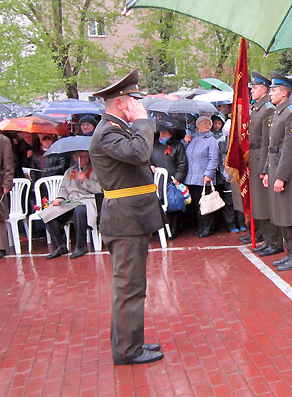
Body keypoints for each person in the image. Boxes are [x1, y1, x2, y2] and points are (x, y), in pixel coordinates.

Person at [89, 69, 164, 365]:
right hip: (125, 220)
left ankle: (133, 343)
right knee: (128, 287)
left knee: (134, 285)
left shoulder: (115, 128)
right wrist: (143, 121)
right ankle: (126, 351)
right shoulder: (108, 131)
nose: (138, 103)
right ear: (121, 102)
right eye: (134, 99)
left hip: (132, 218)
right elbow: (141, 154)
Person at [262, 71, 292, 271]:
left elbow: (290, 149)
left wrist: (280, 177)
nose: (270, 93)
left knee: (291, 215)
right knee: (282, 213)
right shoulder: (278, 113)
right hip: (275, 168)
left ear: (284, 93)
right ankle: (290, 253)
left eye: (273, 90)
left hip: (286, 171)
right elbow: (271, 146)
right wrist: (266, 171)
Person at [243, 72, 283, 256]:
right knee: (259, 203)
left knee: (267, 203)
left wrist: (266, 166)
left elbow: (269, 141)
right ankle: (267, 239)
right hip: (255, 157)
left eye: (255, 88)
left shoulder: (267, 108)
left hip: (263, 158)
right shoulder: (257, 108)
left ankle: (274, 241)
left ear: (265, 89)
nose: (252, 91)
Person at [40, 151, 102, 259]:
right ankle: (60, 245)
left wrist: (85, 180)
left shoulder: (96, 170)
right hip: (71, 201)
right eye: (78, 156)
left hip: (88, 200)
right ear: (74, 157)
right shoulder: (70, 171)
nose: (81, 159)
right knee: (48, 213)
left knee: (79, 210)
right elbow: (63, 188)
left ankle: (81, 246)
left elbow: (100, 189)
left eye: (84, 156)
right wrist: (60, 198)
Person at [150, 120, 188, 238]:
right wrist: (150, 166)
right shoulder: (154, 146)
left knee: (173, 206)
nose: (162, 134)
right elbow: (147, 160)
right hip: (157, 183)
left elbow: (182, 164)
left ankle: (173, 229)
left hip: (172, 181)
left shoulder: (177, 146)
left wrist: (178, 178)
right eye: (161, 132)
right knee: (157, 205)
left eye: (165, 132)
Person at [183, 115, 219, 238]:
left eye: (209, 123)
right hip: (191, 177)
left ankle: (208, 228)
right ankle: (200, 227)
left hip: (204, 177)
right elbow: (183, 155)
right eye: (205, 123)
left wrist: (208, 174)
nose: (208, 125)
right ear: (198, 125)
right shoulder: (191, 138)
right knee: (195, 204)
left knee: (206, 204)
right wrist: (185, 142)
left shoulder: (211, 140)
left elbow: (213, 159)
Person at [0, 133, 13, 259]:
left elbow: (8, 164)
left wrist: (7, 183)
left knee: (0, 216)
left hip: (0, 182)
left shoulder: (4, 140)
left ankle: (1, 247)